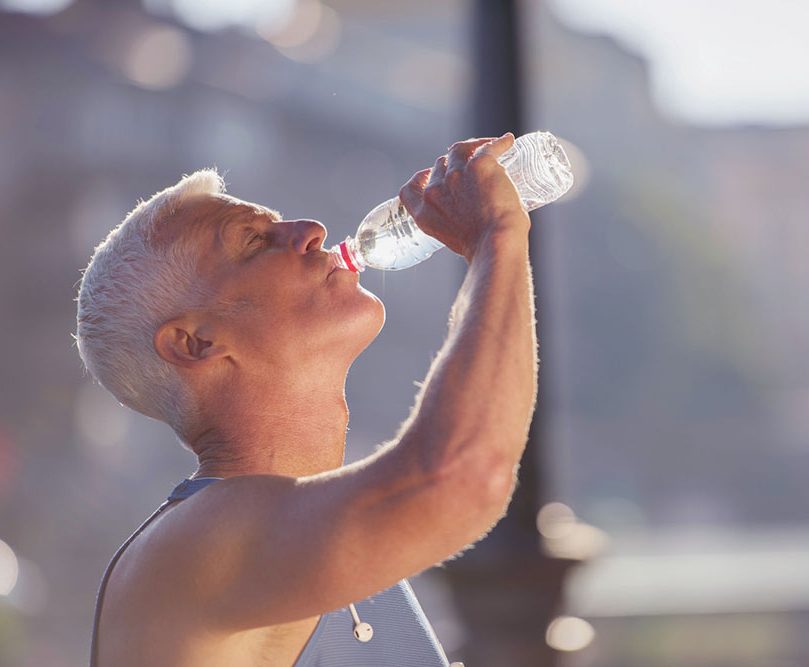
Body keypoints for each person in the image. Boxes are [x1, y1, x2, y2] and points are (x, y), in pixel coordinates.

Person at [75, 133, 538, 666]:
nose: (312, 230)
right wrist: (497, 235)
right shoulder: (195, 545)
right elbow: (461, 477)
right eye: (255, 242)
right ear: (195, 343)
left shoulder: (310, 533)